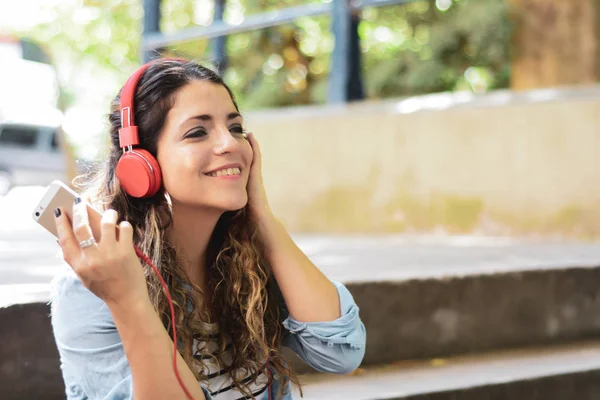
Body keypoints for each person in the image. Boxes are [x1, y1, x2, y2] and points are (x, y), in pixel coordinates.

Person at [50, 58, 366, 400]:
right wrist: (128, 300)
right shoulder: (91, 288)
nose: (229, 144)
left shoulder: (248, 256)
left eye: (235, 128)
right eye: (197, 132)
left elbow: (340, 353)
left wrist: (262, 216)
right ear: (141, 165)